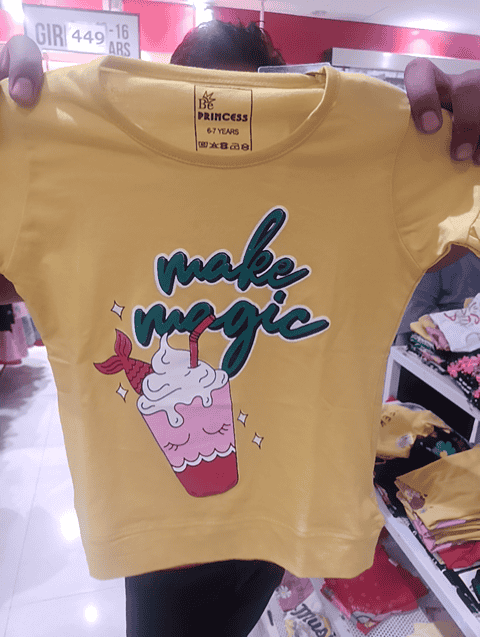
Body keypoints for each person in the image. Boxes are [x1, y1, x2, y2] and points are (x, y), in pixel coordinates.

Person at [2, 21, 480, 637]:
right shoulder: (48, 139)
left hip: (291, 511)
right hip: (151, 524)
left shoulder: (382, 145)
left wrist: (448, 151)